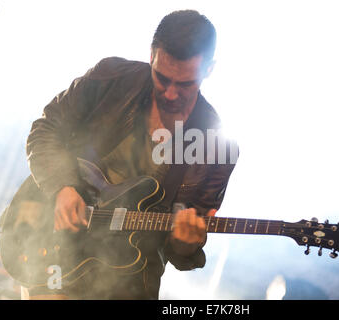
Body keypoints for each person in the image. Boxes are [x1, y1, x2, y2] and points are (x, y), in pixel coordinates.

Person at [22, 10, 238, 299]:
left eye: (185, 84)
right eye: (162, 78)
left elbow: (180, 251)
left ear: (209, 69)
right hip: (58, 246)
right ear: (151, 55)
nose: (171, 94)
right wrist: (62, 186)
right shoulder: (109, 78)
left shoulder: (217, 149)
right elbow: (45, 130)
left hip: (132, 277)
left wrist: (187, 243)